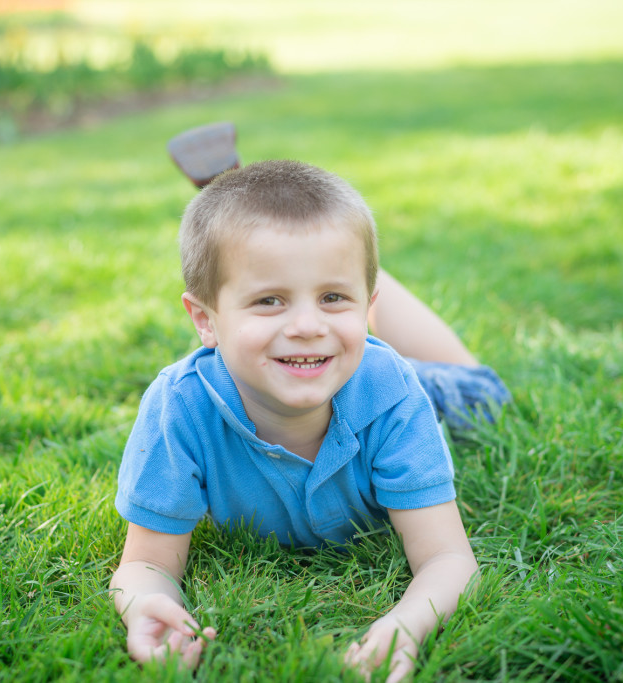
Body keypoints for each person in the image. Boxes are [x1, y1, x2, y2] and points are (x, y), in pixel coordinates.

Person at [110, 160, 510, 681]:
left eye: (332, 297)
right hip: (337, 361)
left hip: (409, 383)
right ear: (205, 319)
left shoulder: (394, 393)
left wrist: (406, 625)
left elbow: (448, 559)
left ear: (366, 308)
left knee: (484, 393)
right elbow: (146, 565)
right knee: (318, 275)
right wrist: (143, 603)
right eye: (269, 300)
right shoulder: (179, 408)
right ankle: (305, 248)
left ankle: (331, 257)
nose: (305, 326)